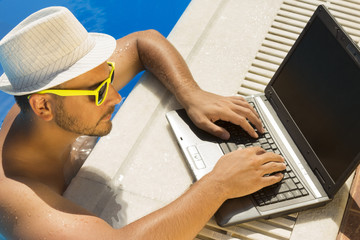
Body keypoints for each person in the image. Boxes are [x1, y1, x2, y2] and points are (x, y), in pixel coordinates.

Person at [0, 6, 285, 240]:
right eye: (98, 91)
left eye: (109, 77)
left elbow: (141, 42)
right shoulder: (24, 200)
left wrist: (191, 93)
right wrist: (218, 184)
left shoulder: (59, 97)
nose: (116, 97)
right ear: (43, 105)